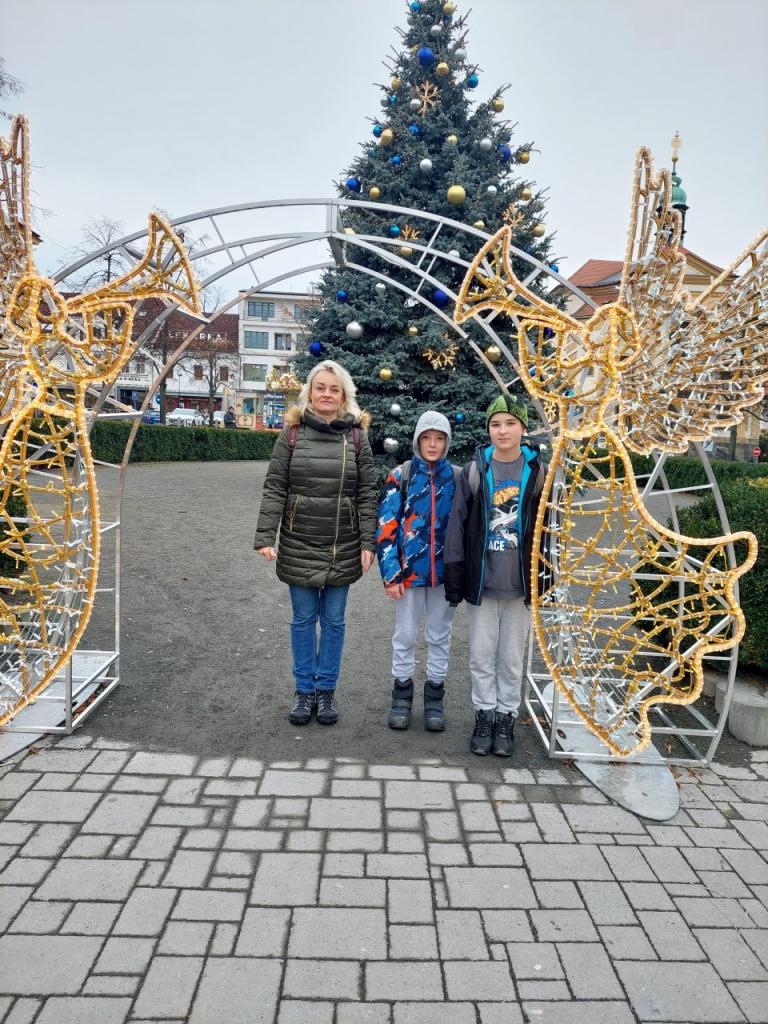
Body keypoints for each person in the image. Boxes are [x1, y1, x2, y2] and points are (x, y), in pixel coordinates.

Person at [253, 360, 378, 725]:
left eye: (334, 389)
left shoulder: (357, 438)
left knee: (334, 622)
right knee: (303, 620)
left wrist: (368, 542)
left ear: (344, 396)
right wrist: (265, 535)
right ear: (309, 392)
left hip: (343, 545)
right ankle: (304, 691)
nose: (327, 394)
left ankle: (326, 692)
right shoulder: (291, 434)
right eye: (320, 387)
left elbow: (367, 493)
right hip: (300, 542)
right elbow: (275, 486)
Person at [444, 393, 545, 757]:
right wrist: (455, 575)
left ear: (523, 428)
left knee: (512, 658)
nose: (503, 431)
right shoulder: (475, 471)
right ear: (488, 430)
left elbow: (550, 527)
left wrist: (546, 578)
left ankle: (506, 717)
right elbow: (457, 524)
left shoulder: (538, 473)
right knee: (481, 654)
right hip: (483, 583)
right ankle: (484, 714)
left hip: (519, 584)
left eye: (510, 423)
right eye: (495, 424)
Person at [376, 411, 457, 732]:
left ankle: (435, 696)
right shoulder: (402, 475)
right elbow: (386, 526)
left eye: (439, 439)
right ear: (418, 440)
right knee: (406, 635)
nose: (433, 444)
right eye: (427, 438)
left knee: (440, 635)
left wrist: (461, 573)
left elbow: (466, 528)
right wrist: (391, 574)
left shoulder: (458, 478)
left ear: (447, 442)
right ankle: (402, 694)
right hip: (408, 576)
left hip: (444, 577)